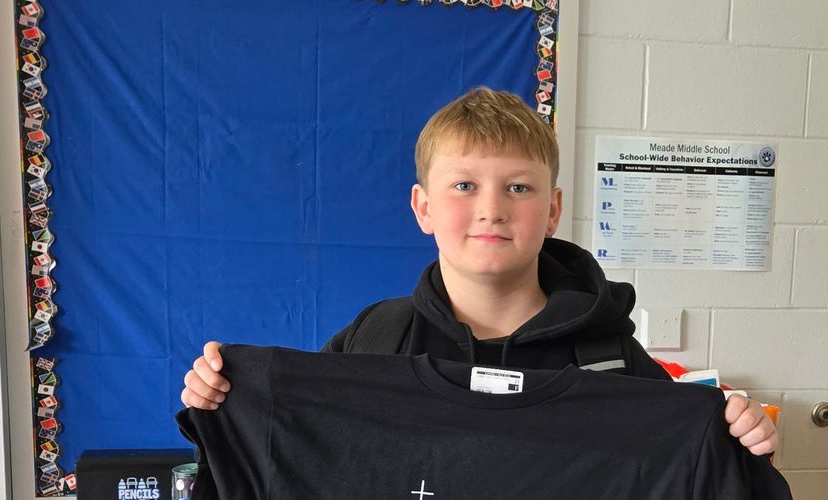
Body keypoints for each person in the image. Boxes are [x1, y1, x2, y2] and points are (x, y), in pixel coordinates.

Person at [179, 86, 777, 456]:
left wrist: (739, 447)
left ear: (552, 211)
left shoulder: (610, 359)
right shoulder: (376, 344)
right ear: (423, 208)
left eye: (519, 187)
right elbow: (296, 481)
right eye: (464, 185)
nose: (491, 207)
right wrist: (222, 409)